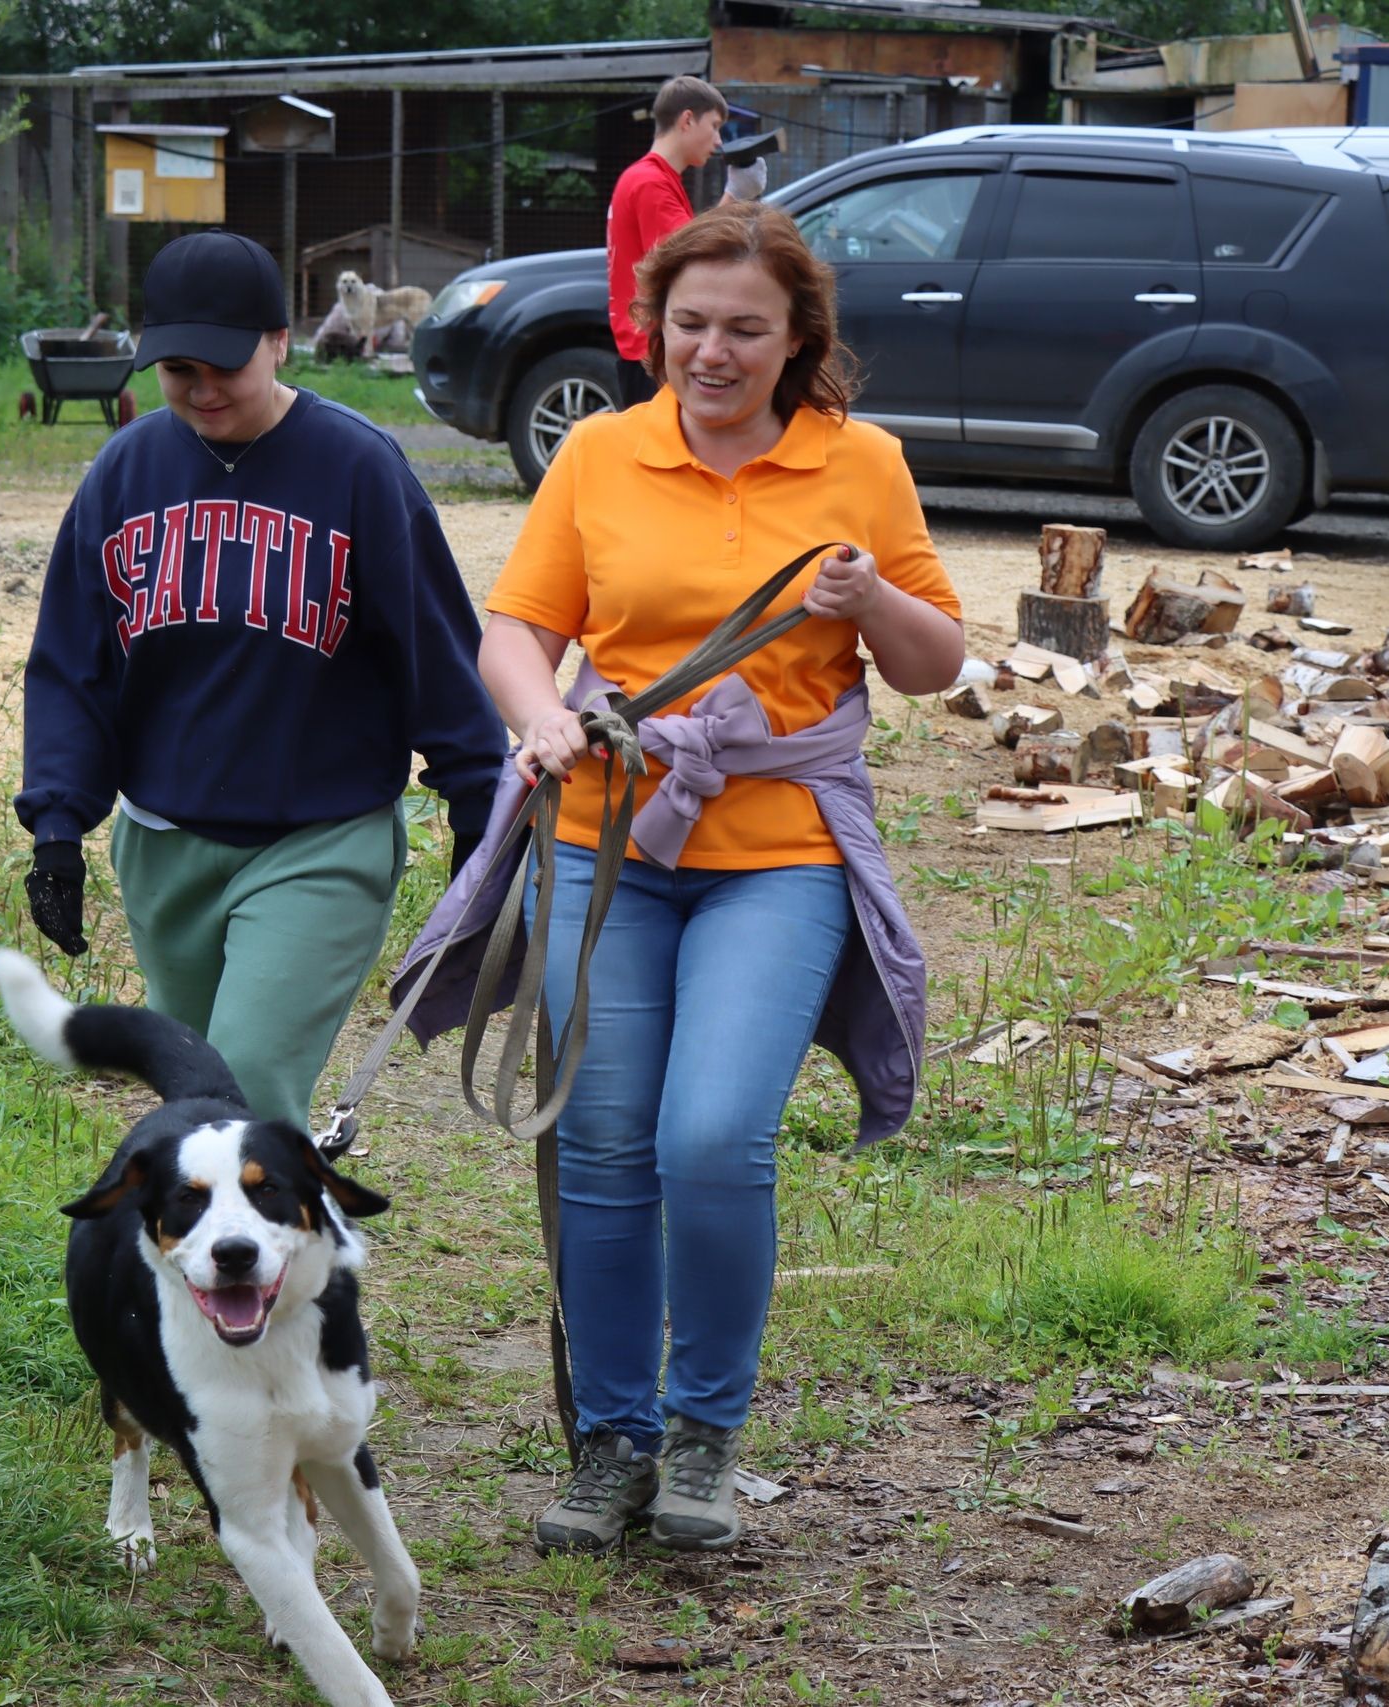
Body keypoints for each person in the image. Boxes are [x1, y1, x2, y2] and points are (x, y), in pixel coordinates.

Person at [477, 201, 965, 1553]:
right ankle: (611, 1436)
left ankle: (704, 1428)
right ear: (656, 327)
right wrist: (536, 711)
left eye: (745, 327)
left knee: (712, 1135)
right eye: (690, 323)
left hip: (780, 849)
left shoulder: (860, 463)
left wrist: (870, 602)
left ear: (798, 336)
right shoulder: (599, 452)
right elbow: (519, 627)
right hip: (605, 837)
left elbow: (937, 663)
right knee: (603, 1141)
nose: (712, 351)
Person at [16, 230, 504, 1132]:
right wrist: (56, 822)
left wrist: (479, 805)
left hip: (319, 842)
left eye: (225, 367)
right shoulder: (126, 471)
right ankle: (243, 1274)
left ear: (281, 340)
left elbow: (437, 646)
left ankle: (269, 1272)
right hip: (164, 842)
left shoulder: (358, 469)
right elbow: (72, 662)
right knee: (197, 1118)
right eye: (178, 371)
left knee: (246, 1098)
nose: (203, 391)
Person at [605, 77, 768, 410]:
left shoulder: (651, 177)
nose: (719, 140)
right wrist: (734, 196)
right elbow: (690, 259)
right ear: (687, 120)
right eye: (715, 126)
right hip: (650, 349)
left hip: (647, 346)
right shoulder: (651, 182)